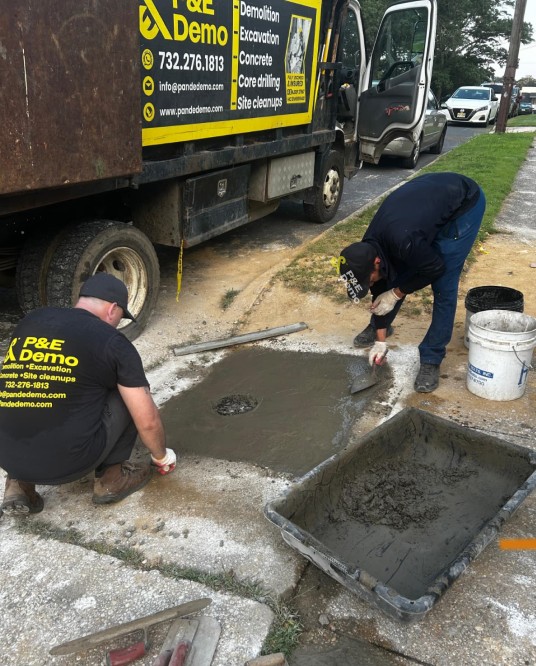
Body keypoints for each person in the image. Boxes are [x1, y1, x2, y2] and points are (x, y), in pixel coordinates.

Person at [0, 273, 176, 516]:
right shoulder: (112, 341)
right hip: (70, 462)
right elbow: (146, 419)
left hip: (6, 454)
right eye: (120, 318)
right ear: (113, 309)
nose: (117, 324)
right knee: (127, 393)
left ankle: (18, 485)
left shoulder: (32, 320)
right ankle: (111, 481)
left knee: (28, 385)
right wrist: (162, 457)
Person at [339, 172, 486, 393]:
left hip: (463, 204)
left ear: (376, 262)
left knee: (443, 284)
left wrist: (396, 293)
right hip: (423, 207)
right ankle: (380, 327)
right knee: (399, 272)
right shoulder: (370, 247)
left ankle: (432, 357)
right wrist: (380, 340)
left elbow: (435, 268)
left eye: (366, 280)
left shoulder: (401, 241)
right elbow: (379, 285)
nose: (368, 285)